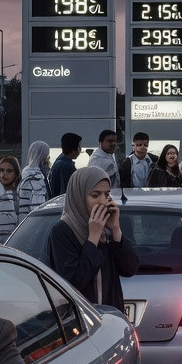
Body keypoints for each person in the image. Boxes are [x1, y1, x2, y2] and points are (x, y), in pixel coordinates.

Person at [48, 167, 139, 307]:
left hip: (111, 318)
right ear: (79, 196)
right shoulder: (62, 230)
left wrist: (115, 229)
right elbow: (75, 281)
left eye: (107, 194)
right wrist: (93, 238)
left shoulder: (107, 229)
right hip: (80, 321)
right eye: (95, 195)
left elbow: (130, 268)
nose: (103, 202)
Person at [17, 141, 51, 218]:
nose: (48, 159)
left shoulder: (32, 175)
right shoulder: (35, 178)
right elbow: (38, 208)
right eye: (47, 156)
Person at [48, 133, 81, 199]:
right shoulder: (66, 165)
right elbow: (67, 191)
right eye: (79, 147)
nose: (80, 150)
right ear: (73, 149)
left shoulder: (59, 161)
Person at [88, 129, 120, 194]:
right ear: (100, 142)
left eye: (115, 141)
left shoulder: (109, 154)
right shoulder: (97, 160)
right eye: (110, 141)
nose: (114, 144)